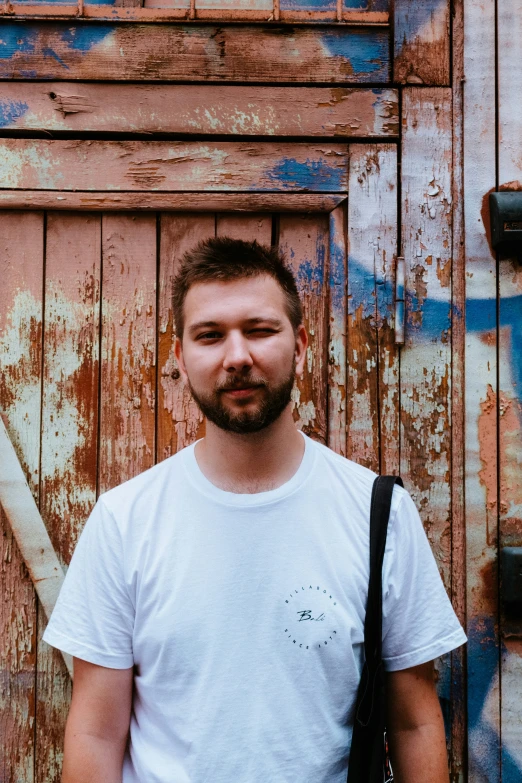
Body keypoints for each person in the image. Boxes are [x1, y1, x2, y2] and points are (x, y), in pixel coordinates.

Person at [43, 237, 466, 783]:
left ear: (301, 343)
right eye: (210, 335)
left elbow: (415, 724)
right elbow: (96, 733)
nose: (237, 356)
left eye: (260, 330)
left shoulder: (378, 513)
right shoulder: (125, 520)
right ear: (180, 357)